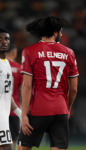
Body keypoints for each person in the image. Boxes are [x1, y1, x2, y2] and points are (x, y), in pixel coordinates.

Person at [17, 16, 79, 150]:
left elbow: (27, 86)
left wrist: (24, 115)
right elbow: (73, 89)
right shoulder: (69, 53)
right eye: (61, 31)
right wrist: (67, 108)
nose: (61, 34)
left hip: (38, 110)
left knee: (22, 148)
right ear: (55, 32)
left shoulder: (29, 51)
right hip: (60, 111)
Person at [6, 45, 23, 148]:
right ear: (13, 53)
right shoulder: (18, 67)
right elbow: (23, 88)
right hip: (14, 109)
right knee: (13, 137)